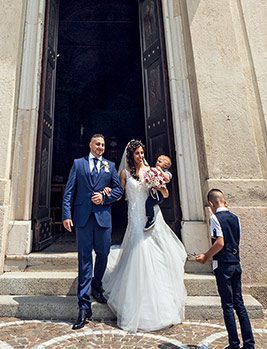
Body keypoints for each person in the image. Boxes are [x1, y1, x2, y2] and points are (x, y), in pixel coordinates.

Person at [100, 140, 186, 332]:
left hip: (151, 216)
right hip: (135, 217)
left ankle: (160, 301)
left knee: (153, 251)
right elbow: (118, 192)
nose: (141, 156)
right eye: (137, 153)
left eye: (142, 153)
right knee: (136, 253)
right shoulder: (125, 174)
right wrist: (106, 191)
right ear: (131, 155)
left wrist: (160, 187)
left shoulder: (151, 171)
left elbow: (163, 193)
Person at [61, 132, 124, 330]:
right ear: (90, 145)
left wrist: (105, 198)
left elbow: (118, 190)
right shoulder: (78, 164)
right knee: (84, 258)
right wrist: (66, 215)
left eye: (103, 145)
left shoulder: (110, 166)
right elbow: (69, 190)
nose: (100, 148)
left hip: (103, 218)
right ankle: (83, 306)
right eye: (97, 144)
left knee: (103, 254)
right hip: (82, 218)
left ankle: (97, 285)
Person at [196, 189, 255, 349]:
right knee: (239, 304)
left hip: (223, 265)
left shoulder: (215, 218)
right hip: (236, 263)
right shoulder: (236, 218)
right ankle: (249, 343)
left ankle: (234, 344)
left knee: (228, 305)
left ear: (210, 203)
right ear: (224, 201)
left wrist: (206, 256)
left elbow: (220, 242)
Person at [143, 153, 173, 231]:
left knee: (148, 203)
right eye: (157, 161)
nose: (157, 162)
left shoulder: (167, 173)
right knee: (149, 202)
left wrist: (160, 171)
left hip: (159, 194)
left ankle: (151, 218)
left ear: (165, 166)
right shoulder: (154, 170)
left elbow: (167, 179)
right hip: (153, 192)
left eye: (160, 161)